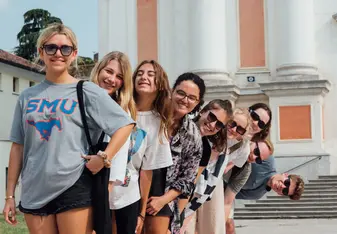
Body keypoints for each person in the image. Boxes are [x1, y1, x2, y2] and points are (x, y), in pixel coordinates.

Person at [2, 23, 135, 234]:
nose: (58, 53)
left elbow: (125, 125)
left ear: (74, 54)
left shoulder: (87, 91)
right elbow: (18, 146)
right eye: (51, 48)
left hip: (74, 185)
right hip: (34, 189)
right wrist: (9, 196)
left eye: (65, 49)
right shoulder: (27, 96)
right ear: (41, 52)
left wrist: (104, 157)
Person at [110, 60, 173, 234]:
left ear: (160, 84)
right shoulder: (118, 106)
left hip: (127, 194)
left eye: (151, 75)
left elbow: (147, 171)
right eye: (140, 73)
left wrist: (141, 213)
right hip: (101, 185)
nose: (144, 77)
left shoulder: (158, 123)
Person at [145, 72, 205, 234]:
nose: (185, 100)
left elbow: (187, 179)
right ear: (172, 91)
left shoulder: (193, 135)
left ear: (197, 102)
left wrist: (162, 200)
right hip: (136, 183)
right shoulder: (152, 115)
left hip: (163, 192)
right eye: (181, 93)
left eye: (192, 98)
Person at [90, 51, 137, 188]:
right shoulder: (79, 97)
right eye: (109, 71)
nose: (111, 79)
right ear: (99, 70)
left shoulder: (121, 111)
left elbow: (117, 163)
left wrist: (105, 194)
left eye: (119, 76)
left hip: (97, 180)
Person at [226, 156, 305, 234]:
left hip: (223, 186)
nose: (283, 186)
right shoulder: (268, 160)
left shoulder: (257, 194)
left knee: (230, 226)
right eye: (287, 183)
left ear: (280, 194)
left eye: (285, 191)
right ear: (285, 174)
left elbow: (231, 196)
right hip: (226, 162)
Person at [223, 139, 274, 223]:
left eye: (258, 159)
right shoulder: (235, 141)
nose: (254, 157)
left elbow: (227, 202)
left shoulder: (245, 172)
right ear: (254, 141)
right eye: (256, 151)